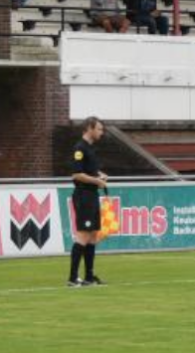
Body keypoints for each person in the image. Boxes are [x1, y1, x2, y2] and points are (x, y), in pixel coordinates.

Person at [67, 117, 109, 287]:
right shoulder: (79, 148)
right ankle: (72, 277)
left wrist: (100, 174)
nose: (101, 132)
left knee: (93, 235)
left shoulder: (90, 148)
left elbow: (89, 170)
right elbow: (76, 174)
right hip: (83, 195)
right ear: (89, 128)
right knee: (83, 235)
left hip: (92, 195)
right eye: (99, 129)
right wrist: (97, 181)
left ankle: (89, 276)